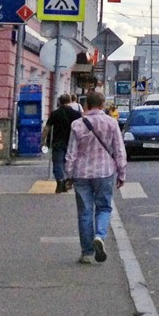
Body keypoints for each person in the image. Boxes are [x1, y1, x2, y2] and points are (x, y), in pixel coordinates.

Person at [63, 89, 126, 265]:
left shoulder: (77, 124)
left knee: (84, 212)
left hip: (81, 174)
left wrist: (68, 175)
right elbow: (119, 150)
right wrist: (122, 173)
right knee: (104, 208)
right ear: (103, 105)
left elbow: (71, 153)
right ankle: (99, 235)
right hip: (105, 172)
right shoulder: (111, 123)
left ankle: (87, 253)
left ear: (87, 104)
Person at [44, 94, 81, 194]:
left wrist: (42, 141)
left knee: (57, 162)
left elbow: (47, 128)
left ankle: (60, 180)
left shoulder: (55, 113)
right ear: (69, 101)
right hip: (72, 142)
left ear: (59, 102)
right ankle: (67, 179)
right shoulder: (76, 114)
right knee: (69, 162)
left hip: (58, 141)